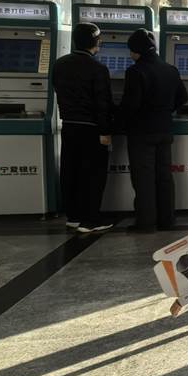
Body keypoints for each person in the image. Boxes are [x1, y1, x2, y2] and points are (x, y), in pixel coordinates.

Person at [120, 28, 186, 233]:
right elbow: (183, 97)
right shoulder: (170, 69)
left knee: (144, 178)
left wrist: (117, 122)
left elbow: (131, 105)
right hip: (164, 130)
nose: (130, 55)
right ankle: (167, 220)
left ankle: (146, 223)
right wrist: (165, 111)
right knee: (164, 176)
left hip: (142, 132)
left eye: (131, 50)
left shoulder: (135, 71)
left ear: (136, 51)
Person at [53, 21, 116, 234]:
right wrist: (106, 131)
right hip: (91, 129)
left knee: (71, 171)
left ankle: (74, 216)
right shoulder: (98, 69)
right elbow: (102, 103)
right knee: (93, 174)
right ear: (95, 42)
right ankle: (90, 220)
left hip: (69, 125)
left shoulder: (60, 64)